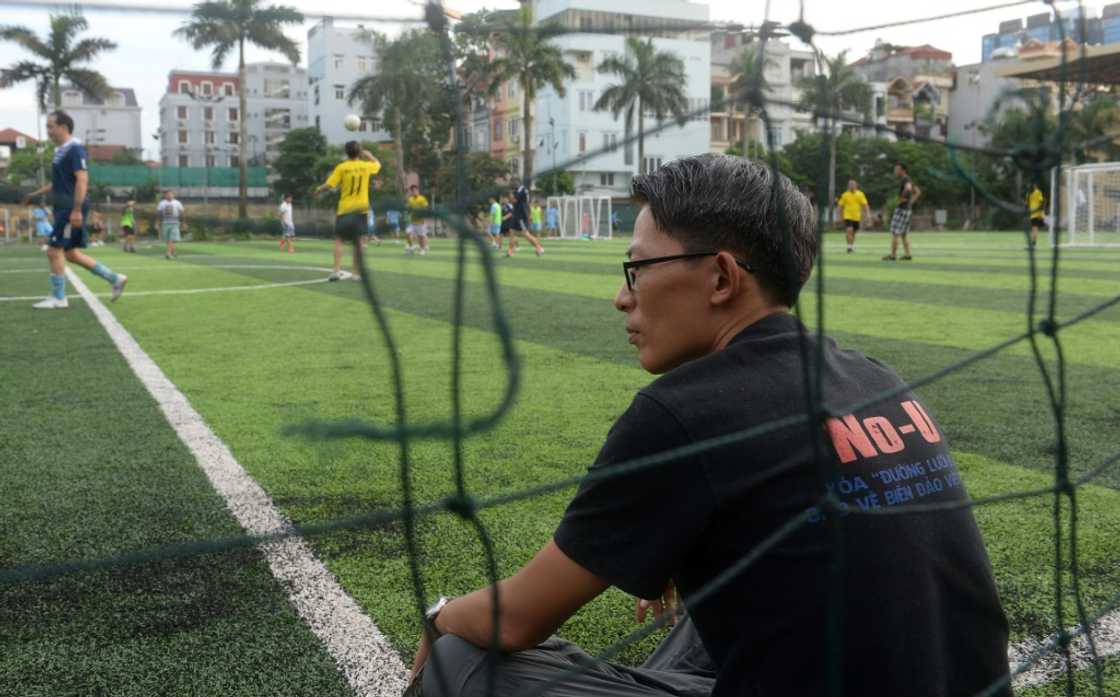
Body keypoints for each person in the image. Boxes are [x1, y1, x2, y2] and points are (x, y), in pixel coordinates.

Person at [410, 154, 1010, 697]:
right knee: (739, 580)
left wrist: (438, 616)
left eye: (637, 269)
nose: (623, 297)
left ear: (721, 278)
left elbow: (517, 619)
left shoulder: (682, 412)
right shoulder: (875, 377)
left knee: (461, 658)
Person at [21, 111, 127, 309]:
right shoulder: (60, 151)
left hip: (70, 208)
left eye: (51, 126)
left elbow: (82, 179)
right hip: (65, 207)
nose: (48, 131)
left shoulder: (75, 149)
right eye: (47, 126)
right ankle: (115, 278)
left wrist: (76, 210)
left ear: (64, 127)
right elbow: (58, 182)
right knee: (70, 253)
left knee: (53, 251)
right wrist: (35, 194)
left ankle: (59, 298)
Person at [314, 140, 381, 281]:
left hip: (345, 209)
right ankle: (355, 274)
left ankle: (335, 272)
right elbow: (378, 165)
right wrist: (370, 155)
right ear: (359, 152)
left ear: (346, 152)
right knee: (360, 241)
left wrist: (318, 190)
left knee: (339, 239)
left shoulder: (342, 167)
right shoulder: (366, 166)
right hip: (361, 209)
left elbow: (329, 185)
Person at [883, 162, 919, 261]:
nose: (895, 171)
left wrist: (902, 198)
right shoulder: (909, 179)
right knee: (903, 234)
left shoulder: (905, 179)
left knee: (895, 232)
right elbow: (917, 192)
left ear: (903, 170)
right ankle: (907, 255)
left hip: (902, 209)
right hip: (907, 209)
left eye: (897, 169)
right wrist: (910, 203)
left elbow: (908, 188)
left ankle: (893, 255)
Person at [508, 178, 543, 257]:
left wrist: (509, 193)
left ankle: (538, 247)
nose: (512, 184)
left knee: (526, 234)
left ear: (518, 182)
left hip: (521, 216)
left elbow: (514, 200)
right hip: (516, 214)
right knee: (511, 232)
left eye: (513, 182)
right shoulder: (517, 190)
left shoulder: (522, 190)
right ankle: (510, 251)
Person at [836, 179, 871, 254]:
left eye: (853, 184)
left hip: (857, 217)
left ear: (856, 185)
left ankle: (851, 246)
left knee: (854, 232)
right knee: (849, 230)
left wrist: (867, 214)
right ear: (848, 186)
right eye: (850, 185)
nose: (851, 186)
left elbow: (865, 205)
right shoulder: (845, 195)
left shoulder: (860, 194)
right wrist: (839, 216)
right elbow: (840, 206)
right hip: (847, 216)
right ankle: (849, 247)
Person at [156, 189, 185, 259]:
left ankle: (168, 253)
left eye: (170, 194)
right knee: (168, 239)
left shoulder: (177, 203)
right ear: (165, 195)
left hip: (175, 223)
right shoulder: (162, 203)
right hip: (165, 223)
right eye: (167, 194)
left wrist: (183, 222)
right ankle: (173, 251)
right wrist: (157, 223)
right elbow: (159, 214)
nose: (169, 195)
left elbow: (181, 213)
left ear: (173, 195)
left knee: (171, 239)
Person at [405, 184, 431, 256]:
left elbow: (426, 208)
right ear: (411, 192)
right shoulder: (410, 199)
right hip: (412, 222)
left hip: (420, 222)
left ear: (418, 190)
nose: (414, 192)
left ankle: (422, 250)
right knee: (407, 233)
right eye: (412, 191)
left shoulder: (422, 198)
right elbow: (408, 208)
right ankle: (412, 247)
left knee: (421, 237)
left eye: (415, 190)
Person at [1027, 182, 1046, 248]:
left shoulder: (1030, 193)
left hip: (1035, 214)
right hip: (1035, 214)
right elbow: (1041, 202)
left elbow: (1028, 204)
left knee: (1034, 229)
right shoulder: (1036, 192)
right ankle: (1033, 243)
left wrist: (1042, 212)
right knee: (1034, 229)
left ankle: (1033, 244)